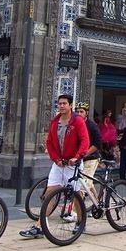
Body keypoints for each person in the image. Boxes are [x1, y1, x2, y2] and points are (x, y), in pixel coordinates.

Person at [19, 94, 89, 238]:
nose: (62, 106)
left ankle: (80, 222)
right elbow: (50, 142)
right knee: (50, 193)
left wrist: (77, 156)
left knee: (75, 195)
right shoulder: (55, 121)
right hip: (59, 164)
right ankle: (40, 227)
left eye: (64, 103)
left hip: (72, 164)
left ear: (70, 105)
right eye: (60, 103)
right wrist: (55, 159)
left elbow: (84, 140)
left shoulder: (78, 121)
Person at [74, 102, 102, 199]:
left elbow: (97, 144)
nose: (79, 114)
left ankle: (76, 212)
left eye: (81, 112)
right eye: (77, 112)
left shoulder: (91, 125)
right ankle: (97, 203)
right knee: (87, 182)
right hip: (80, 158)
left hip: (91, 158)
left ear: (86, 113)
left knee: (82, 186)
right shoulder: (75, 124)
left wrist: (85, 154)